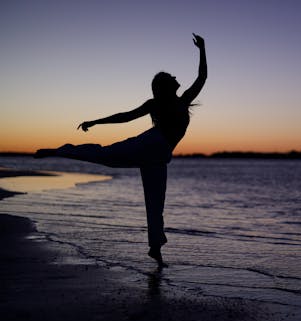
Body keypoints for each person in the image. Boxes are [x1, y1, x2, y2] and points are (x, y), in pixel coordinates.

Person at [35, 34, 207, 267]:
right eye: (171, 77)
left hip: (159, 156)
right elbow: (125, 117)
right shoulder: (157, 103)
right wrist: (96, 121)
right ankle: (59, 151)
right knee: (106, 155)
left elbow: (202, 77)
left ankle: (155, 250)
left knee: (156, 203)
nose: (176, 77)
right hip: (151, 144)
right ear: (165, 86)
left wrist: (202, 49)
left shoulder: (183, 100)